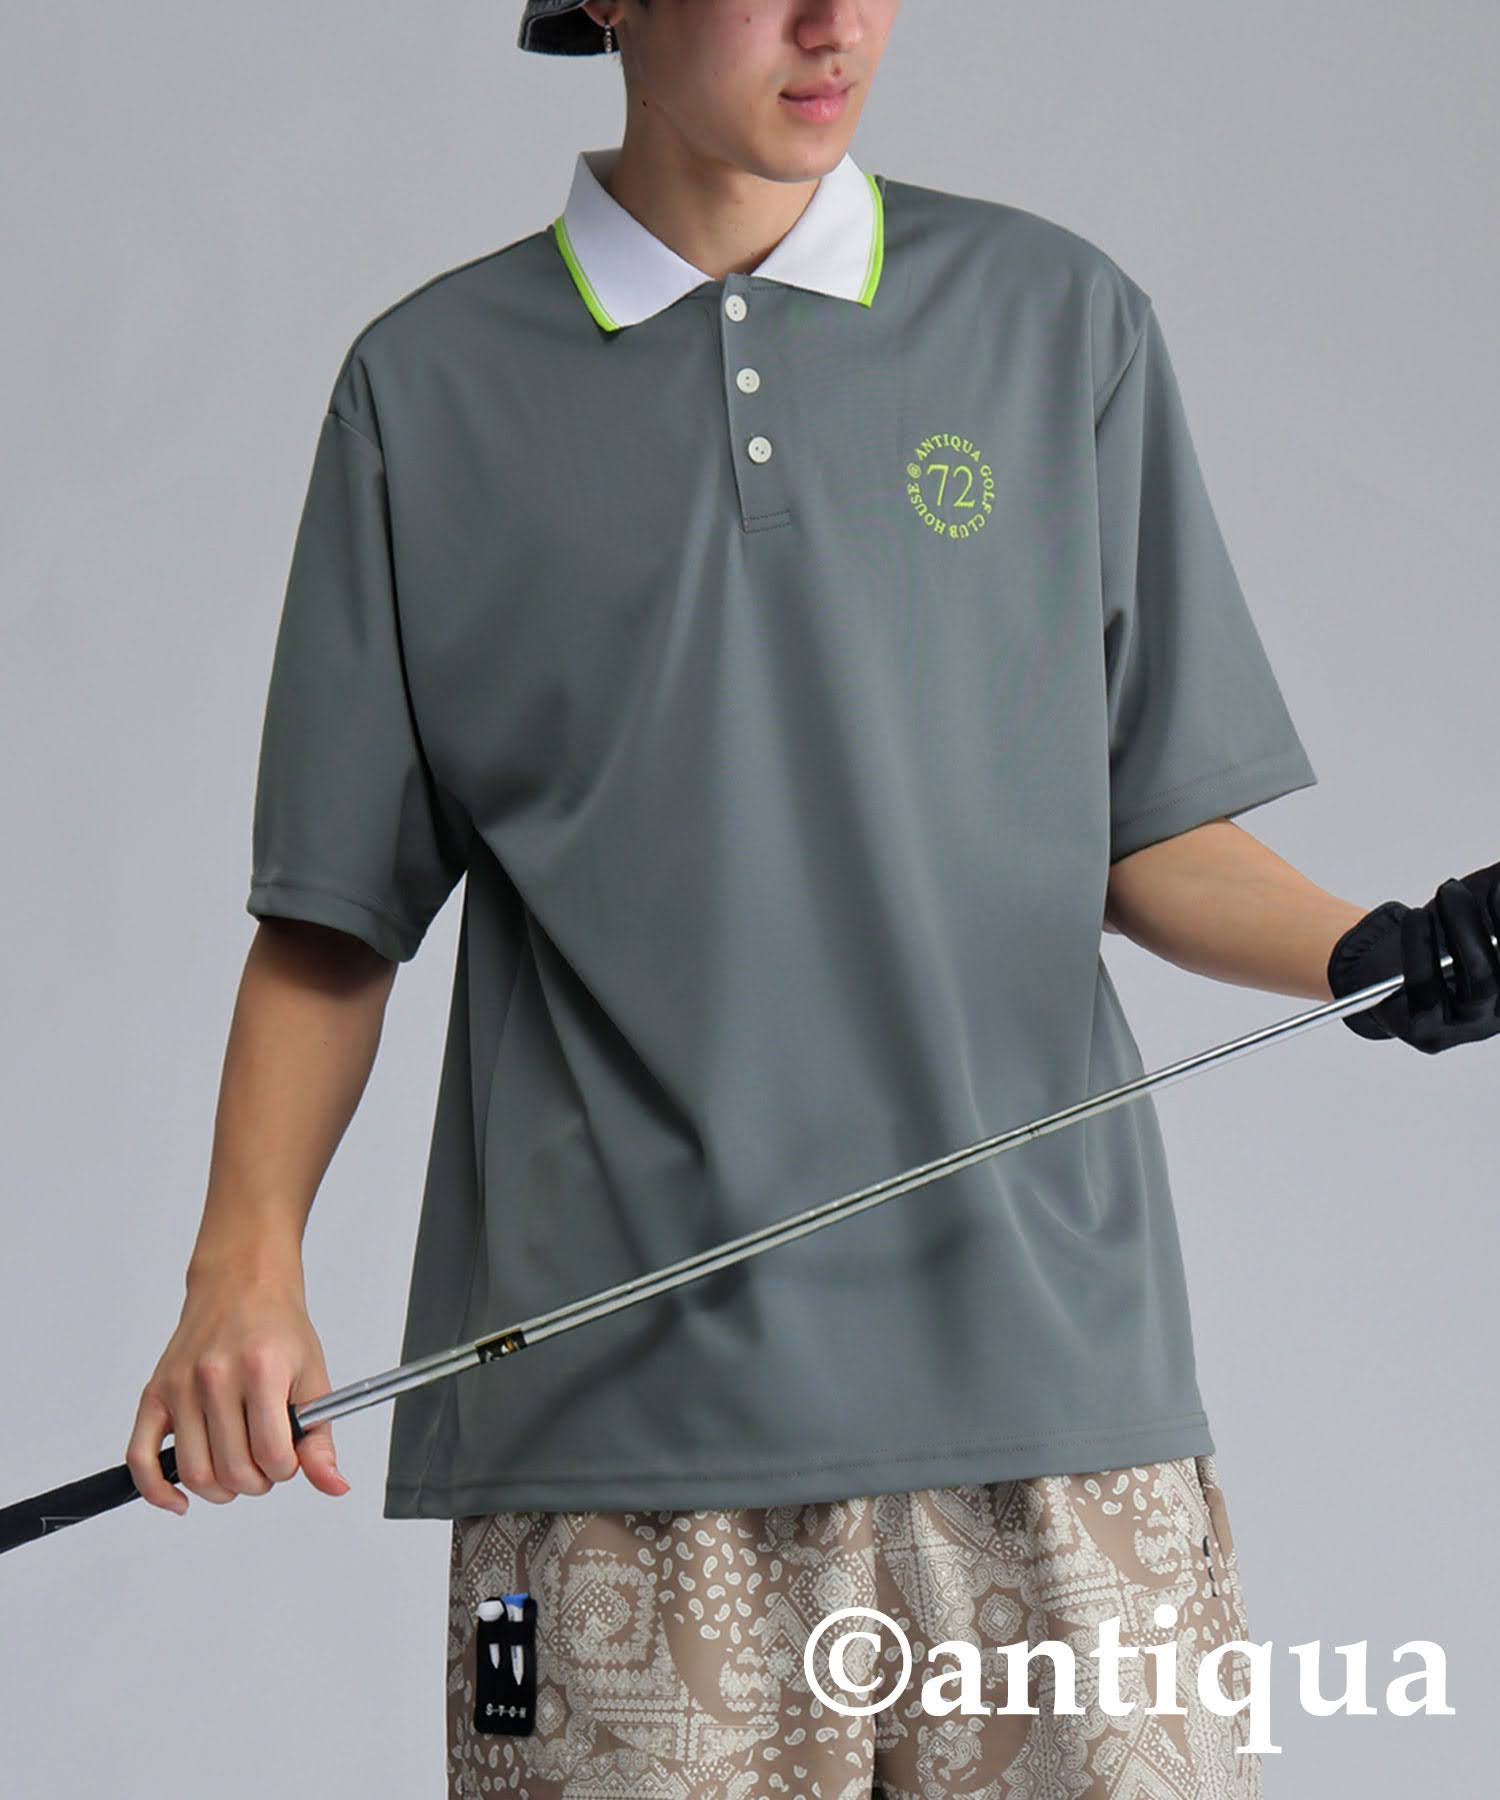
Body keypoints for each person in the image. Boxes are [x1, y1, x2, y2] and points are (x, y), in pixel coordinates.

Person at [125, 2, 1500, 1795]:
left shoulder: (1057, 321)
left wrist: (1376, 952)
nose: (835, 23)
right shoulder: (426, 389)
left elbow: (1139, 829)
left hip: (1055, 1402)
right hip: (615, 1459)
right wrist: (242, 1268)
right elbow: (331, 917)